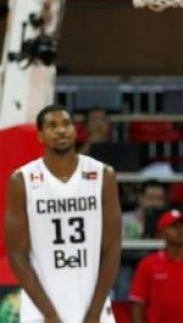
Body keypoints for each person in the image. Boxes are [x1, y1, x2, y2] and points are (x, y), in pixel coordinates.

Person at [5, 103, 121, 322]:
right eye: (52, 125)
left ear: (75, 131)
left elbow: (113, 248)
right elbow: (17, 254)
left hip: (92, 303)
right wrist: (49, 315)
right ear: (40, 136)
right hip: (41, 309)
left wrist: (94, 312)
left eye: (66, 124)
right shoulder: (22, 180)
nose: (61, 130)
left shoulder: (102, 175)